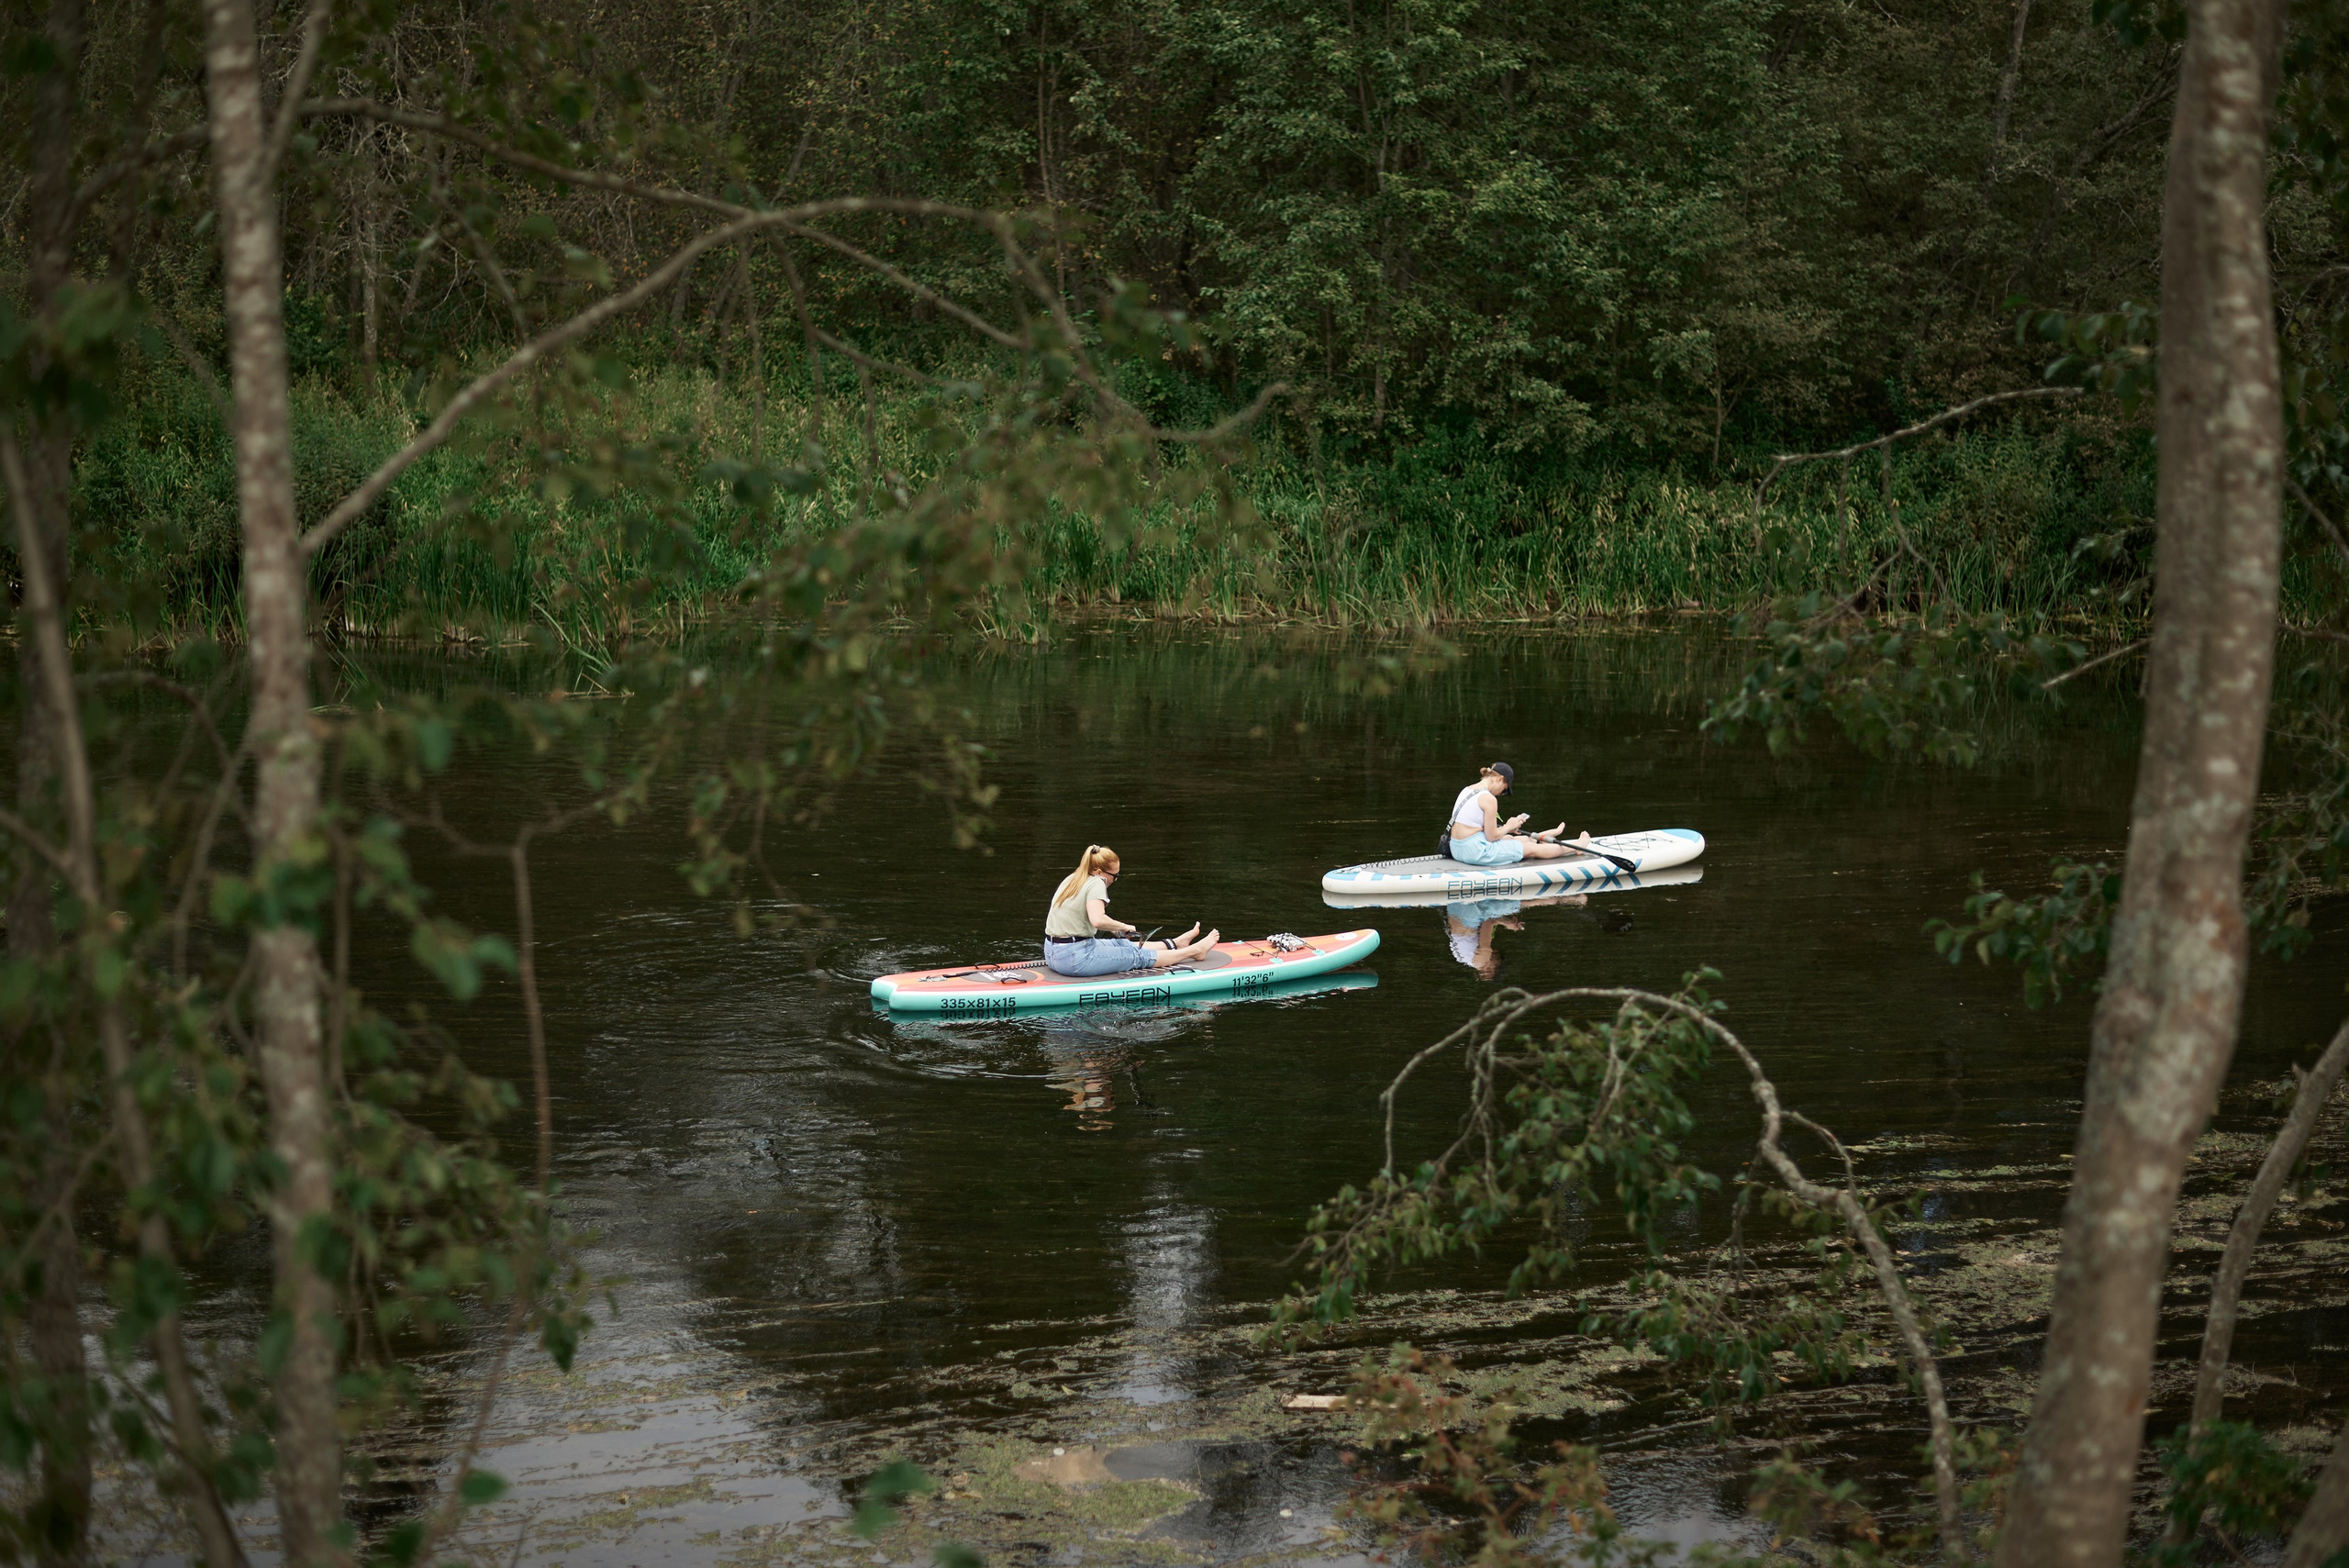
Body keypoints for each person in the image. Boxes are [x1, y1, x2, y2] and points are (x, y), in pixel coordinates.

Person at [1043, 845, 1219, 976]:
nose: (1115, 880)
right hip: (1075, 959)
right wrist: (1123, 925)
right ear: (1099, 871)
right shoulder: (1097, 882)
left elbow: (1083, 917)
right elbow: (1097, 920)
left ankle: (1175, 943)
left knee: (1123, 944)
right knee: (1135, 955)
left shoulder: (1073, 879)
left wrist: (1116, 929)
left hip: (1053, 954)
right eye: (1115, 876)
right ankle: (1195, 951)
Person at [1446, 762, 1598, 867]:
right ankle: (1577, 846)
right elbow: (1491, 837)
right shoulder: (1489, 798)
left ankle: (1539, 837)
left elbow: (1477, 828)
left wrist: (1507, 829)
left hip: (1456, 848)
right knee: (1531, 850)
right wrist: (1509, 825)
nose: (1501, 794)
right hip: (1475, 852)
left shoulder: (1467, 790)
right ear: (1500, 779)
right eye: (1504, 790)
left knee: (1510, 838)